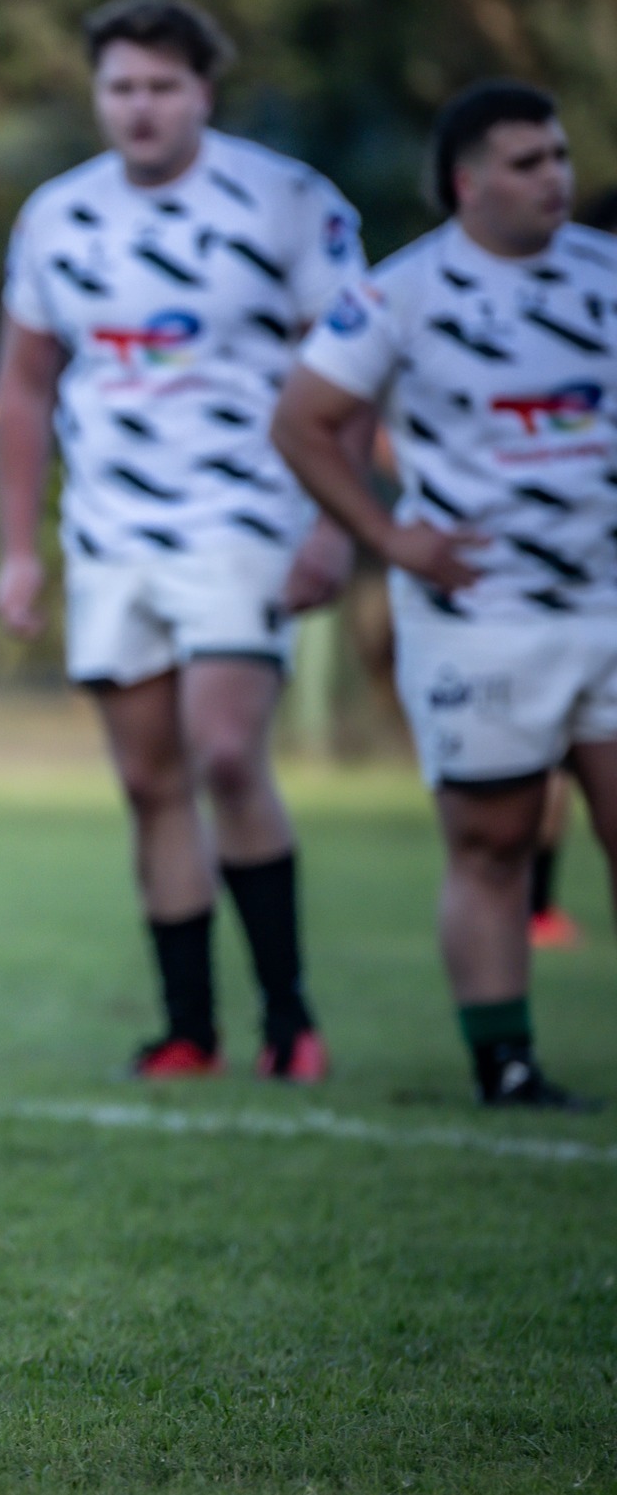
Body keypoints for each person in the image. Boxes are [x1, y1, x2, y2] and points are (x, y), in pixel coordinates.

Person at [0, 0, 364, 1082]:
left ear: (203, 90)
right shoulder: (56, 216)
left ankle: (289, 1019)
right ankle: (187, 1032)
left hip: (248, 519)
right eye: (121, 88)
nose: (140, 108)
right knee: (151, 782)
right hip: (108, 534)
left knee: (222, 751)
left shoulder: (288, 201)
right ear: (96, 94)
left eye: (162, 87)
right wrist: (18, 548)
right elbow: (23, 386)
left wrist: (336, 529)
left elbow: (352, 371)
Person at [274, 79, 611, 1110]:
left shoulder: (604, 276)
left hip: (604, 604)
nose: (551, 176)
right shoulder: (398, 293)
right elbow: (301, 422)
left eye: (554, 156)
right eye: (523, 161)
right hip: (478, 615)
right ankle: (502, 1062)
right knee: (492, 841)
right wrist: (385, 536)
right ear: (466, 183)